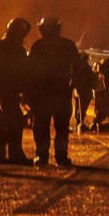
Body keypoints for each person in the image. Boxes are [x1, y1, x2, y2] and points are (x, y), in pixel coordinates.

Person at [27, 17, 78, 168]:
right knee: (61, 128)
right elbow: (78, 67)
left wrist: (29, 92)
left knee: (42, 127)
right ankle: (60, 157)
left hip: (43, 94)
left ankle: (42, 156)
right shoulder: (68, 45)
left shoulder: (37, 46)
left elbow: (29, 70)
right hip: (60, 93)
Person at [0, 18, 34, 165]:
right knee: (15, 119)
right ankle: (15, 154)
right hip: (6, 87)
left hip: (8, 87)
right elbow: (0, 68)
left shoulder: (7, 45)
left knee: (4, 118)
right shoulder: (7, 45)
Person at [72, 51, 96, 133]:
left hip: (78, 90)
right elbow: (91, 79)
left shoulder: (76, 68)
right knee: (82, 108)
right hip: (85, 90)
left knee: (79, 107)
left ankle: (78, 123)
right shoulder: (87, 68)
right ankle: (80, 124)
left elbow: (74, 79)